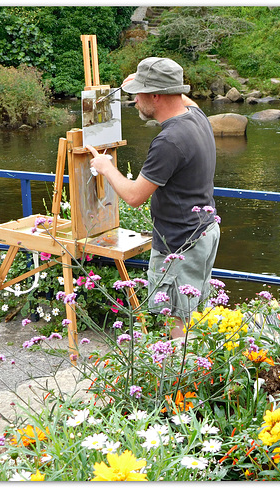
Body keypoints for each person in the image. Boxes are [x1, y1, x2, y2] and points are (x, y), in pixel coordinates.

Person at [87, 57, 220, 339]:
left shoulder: (169, 141)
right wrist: (141, 80)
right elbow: (180, 96)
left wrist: (106, 167)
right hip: (204, 232)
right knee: (195, 314)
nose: (134, 102)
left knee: (179, 324)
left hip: (180, 244)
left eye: (138, 95)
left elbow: (135, 196)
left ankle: (183, 381)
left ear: (156, 96)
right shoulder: (196, 116)